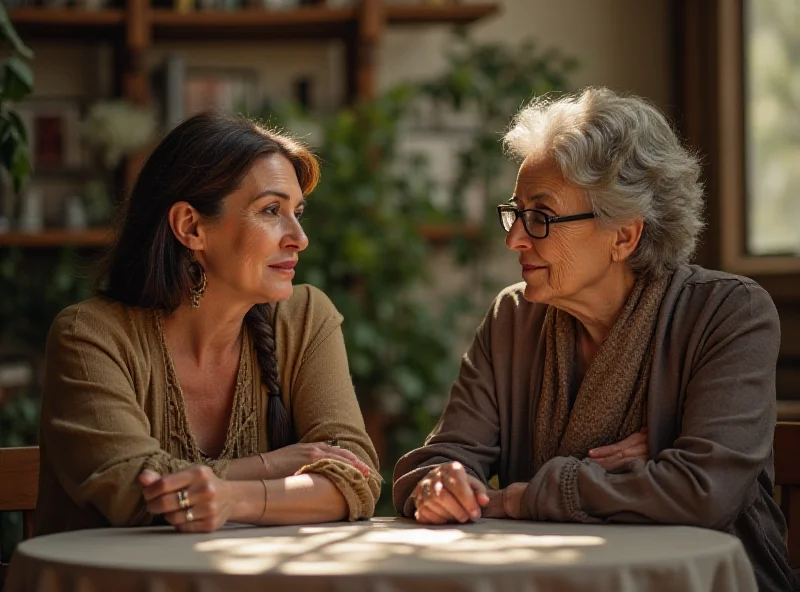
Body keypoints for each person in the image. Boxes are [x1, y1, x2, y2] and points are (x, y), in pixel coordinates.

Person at [393, 88, 796, 591]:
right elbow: (434, 461)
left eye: (540, 217)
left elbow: (703, 492)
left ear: (624, 236)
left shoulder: (727, 312)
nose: (514, 238)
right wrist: (440, 483)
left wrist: (520, 497)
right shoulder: (514, 317)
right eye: (515, 212)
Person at [37, 112, 380, 535]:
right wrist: (272, 466)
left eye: (298, 212)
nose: (299, 237)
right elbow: (130, 490)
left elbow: (355, 479)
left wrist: (233, 497)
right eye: (271, 210)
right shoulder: (89, 336)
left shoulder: (304, 319)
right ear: (191, 227)